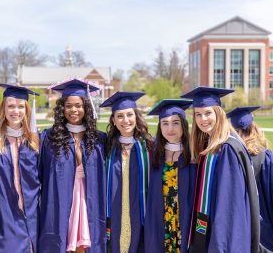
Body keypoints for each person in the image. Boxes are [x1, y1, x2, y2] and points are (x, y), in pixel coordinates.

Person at [181, 87, 260, 253]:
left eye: (208, 113)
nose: (203, 119)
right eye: (198, 114)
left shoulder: (227, 149)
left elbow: (229, 206)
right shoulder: (210, 146)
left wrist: (219, 246)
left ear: (218, 113)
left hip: (222, 240)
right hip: (209, 232)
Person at [38, 79, 106, 253]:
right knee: (62, 240)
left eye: (78, 105)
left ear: (86, 108)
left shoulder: (99, 139)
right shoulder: (49, 138)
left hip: (88, 198)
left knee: (84, 243)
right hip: (59, 198)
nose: (74, 110)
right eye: (69, 106)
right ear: (62, 108)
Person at [0, 83, 40, 252]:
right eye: (10, 106)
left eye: (20, 107)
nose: (15, 111)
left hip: (32, 212)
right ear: (3, 109)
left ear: (26, 110)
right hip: (4, 215)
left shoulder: (36, 140)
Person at [99, 91, 153, 253]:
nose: (125, 120)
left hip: (141, 215)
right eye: (120, 116)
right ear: (114, 121)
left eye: (129, 115)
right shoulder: (105, 147)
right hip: (113, 216)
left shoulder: (150, 148)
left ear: (136, 117)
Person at [145, 99, 196, 253]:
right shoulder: (153, 154)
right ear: (160, 127)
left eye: (175, 123)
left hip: (185, 220)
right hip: (161, 220)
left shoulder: (194, 154)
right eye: (165, 123)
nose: (170, 128)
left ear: (183, 125)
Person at [227, 106, 273, 252]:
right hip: (263, 225)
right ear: (254, 128)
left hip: (239, 223)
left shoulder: (229, 155)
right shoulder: (265, 157)